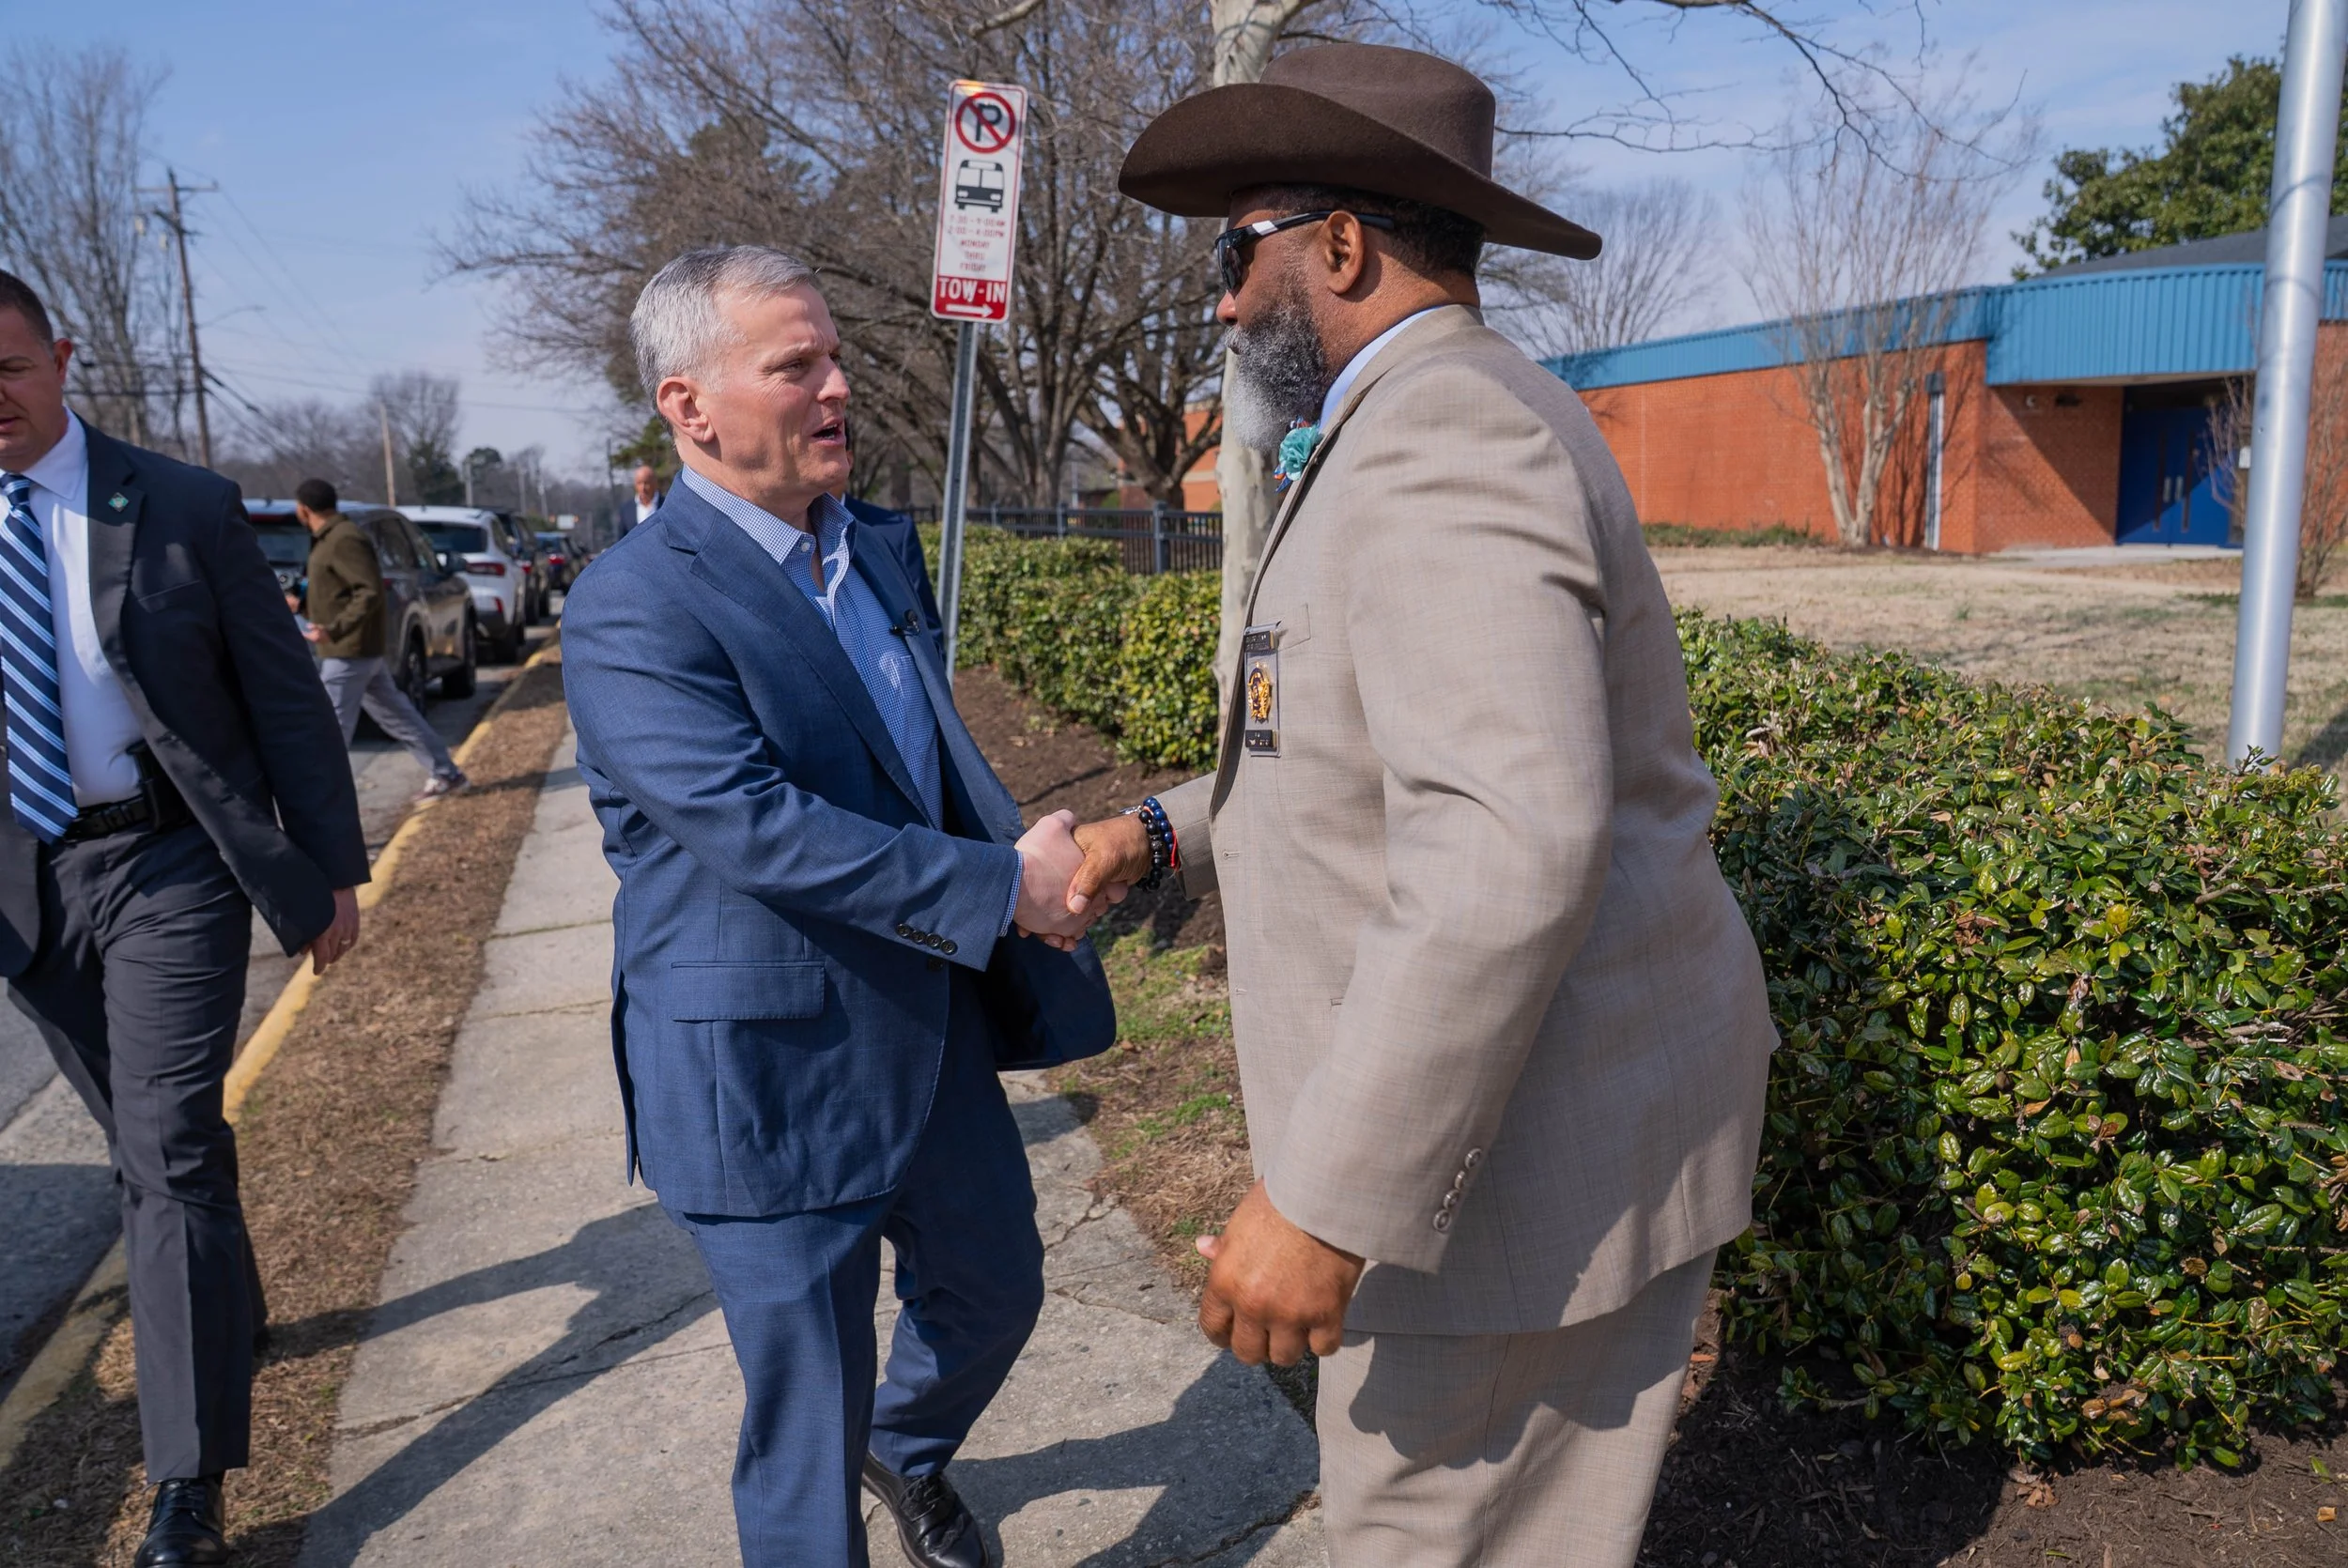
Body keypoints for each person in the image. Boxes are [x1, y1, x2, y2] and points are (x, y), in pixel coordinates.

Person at [1063, 43, 1777, 1568]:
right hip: (1504, 1177)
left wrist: (1326, 1202)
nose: (1220, 299)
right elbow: (1350, 746)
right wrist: (1164, 830)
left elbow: (1504, 849)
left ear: (1340, 245)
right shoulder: (1418, 423)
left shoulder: (1449, 437)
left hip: (1506, 1208)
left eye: (1232, 250)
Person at [562, 246, 1120, 1568]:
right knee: (806, 1433)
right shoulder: (632, 605)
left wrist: (1019, 866)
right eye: (794, 364)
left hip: (928, 1033)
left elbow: (912, 757)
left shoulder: (873, 545)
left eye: (833, 355)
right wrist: (1001, 888)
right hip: (762, 1069)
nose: (837, 385)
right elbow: (759, 827)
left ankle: (909, 1445)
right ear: (689, 405)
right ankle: (856, 1460)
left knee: (994, 1294)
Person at [0, 269, 368, 1566]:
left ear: (61, 357)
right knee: (150, 1147)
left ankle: (187, 1484)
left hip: (170, 863)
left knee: (164, 1155)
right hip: (27, 888)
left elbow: (281, 701)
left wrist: (330, 872)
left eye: (9, 367)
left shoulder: (181, 505)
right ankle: (229, 1302)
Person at [295, 480, 469, 801]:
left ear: (303, 508)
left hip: (349, 650)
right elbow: (339, 590)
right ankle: (446, 772)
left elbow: (368, 591)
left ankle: (323, 802)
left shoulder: (343, 539)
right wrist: (303, 605)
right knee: (398, 716)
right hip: (355, 650)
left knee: (331, 730)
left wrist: (333, 628)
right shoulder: (328, 539)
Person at [627, 462, 662, 530]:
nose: (642, 488)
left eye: (646, 483)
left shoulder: (666, 505)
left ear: (655, 483)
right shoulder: (626, 510)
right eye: (639, 483)